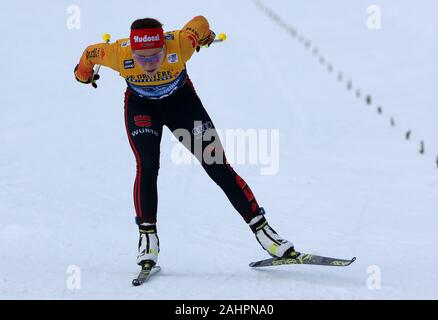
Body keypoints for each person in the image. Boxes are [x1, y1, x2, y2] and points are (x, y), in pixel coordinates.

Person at [74, 16, 298, 269]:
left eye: (156, 56)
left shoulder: (181, 42)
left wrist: (205, 35)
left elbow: (200, 22)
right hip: (142, 107)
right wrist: (83, 74)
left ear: (165, 48)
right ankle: (148, 238)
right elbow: (87, 55)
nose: (149, 64)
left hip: (182, 105)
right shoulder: (115, 52)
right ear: (131, 52)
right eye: (141, 58)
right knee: (147, 166)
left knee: (217, 166)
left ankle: (264, 232)